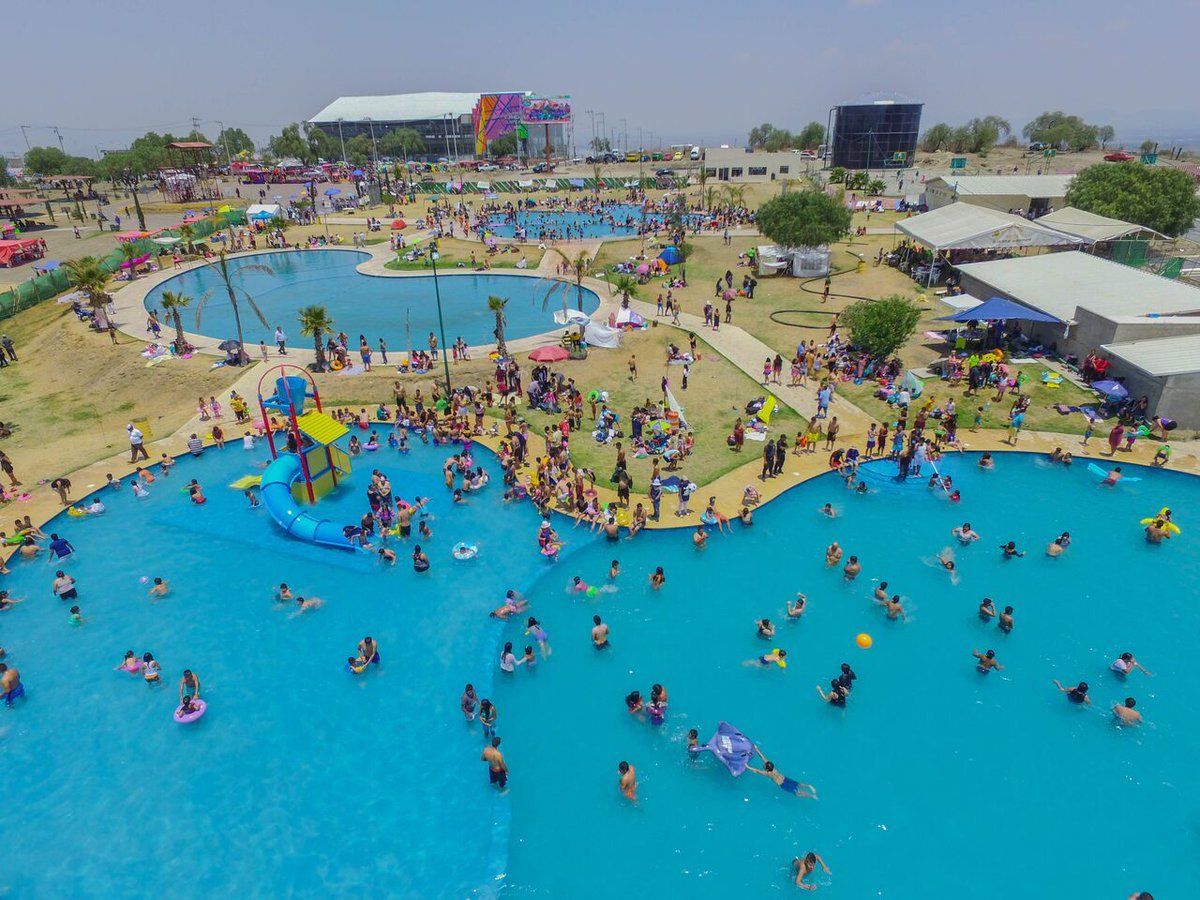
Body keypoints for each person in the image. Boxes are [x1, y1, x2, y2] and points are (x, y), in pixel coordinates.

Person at [747, 745, 816, 798]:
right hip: (785, 778)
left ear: (767, 769)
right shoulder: (773, 768)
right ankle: (809, 786)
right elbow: (762, 757)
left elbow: (756, 771)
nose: (763, 765)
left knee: (796, 793)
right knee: (798, 784)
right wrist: (757, 749)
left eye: (764, 766)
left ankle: (811, 796)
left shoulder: (767, 773)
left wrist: (747, 766)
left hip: (783, 784)